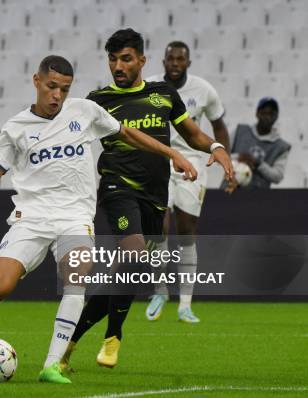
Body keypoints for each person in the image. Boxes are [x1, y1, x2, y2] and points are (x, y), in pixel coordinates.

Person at [0, 55, 197, 384]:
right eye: (52, 86)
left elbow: (127, 133)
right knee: (0, 288)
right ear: (36, 81)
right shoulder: (15, 129)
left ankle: (52, 364)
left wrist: (173, 154)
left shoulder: (84, 111)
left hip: (75, 217)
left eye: (64, 89)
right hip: (32, 218)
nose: (57, 95)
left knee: (76, 277)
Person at [61, 29, 233, 371]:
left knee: (125, 275)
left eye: (125, 59)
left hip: (155, 197)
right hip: (117, 188)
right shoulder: (97, 100)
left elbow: (193, 134)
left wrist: (216, 147)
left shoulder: (164, 94)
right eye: (112, 59)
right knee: (134, 252)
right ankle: (113, 337)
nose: (118, 66)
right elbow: (66, 141)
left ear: (142, 60)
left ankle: (70, 343)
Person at [143, 41, 231, 324]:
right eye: (171, 58)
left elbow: (218, 126)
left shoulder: (204, 90)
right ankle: (159, 290)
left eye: (181, 59)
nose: (176, 63)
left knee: (186, 229)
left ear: (188, 63)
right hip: (159, 160)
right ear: (164, 61)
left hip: (193, 162)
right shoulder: (151, 86)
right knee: (158, 225)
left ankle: (185, 304)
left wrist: (224, 158)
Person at [230, 97, 291, 189]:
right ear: (257, 114)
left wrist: (258, 164)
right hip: (229, 190)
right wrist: (238, 157)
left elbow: (278, 176)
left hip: (259, 197)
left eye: (271, 114)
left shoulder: (281, 146)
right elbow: (221, 155)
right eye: (264, 113)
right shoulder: (240, 131)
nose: (267, 117)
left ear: (276, 117)